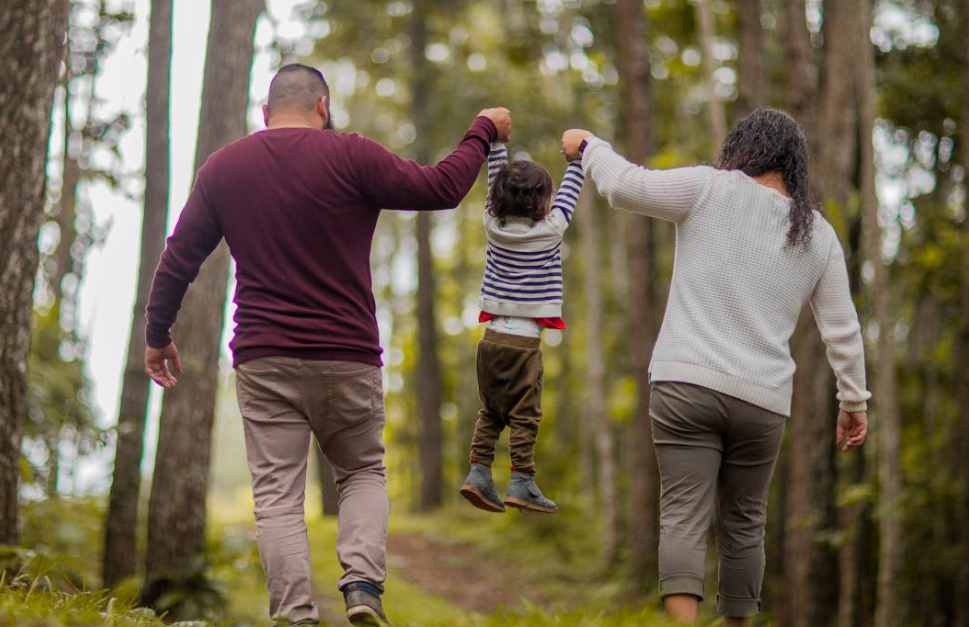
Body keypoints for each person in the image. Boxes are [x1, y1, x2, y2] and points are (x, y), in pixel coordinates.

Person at [143, 63, 511, 627]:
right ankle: (362, 587)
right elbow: (441, 188)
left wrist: (157, 334)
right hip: (347, 354)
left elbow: (179, 258)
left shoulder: (225, 167)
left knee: (277, 497)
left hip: (264, 358)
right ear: (323, 107)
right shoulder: (352, 154)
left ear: (266, 114)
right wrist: (482, 129)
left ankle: (295, 617)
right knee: (362, 471)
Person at [561, 108, 870, 626]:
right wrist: (854, 402)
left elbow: (625, 187)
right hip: (763, 402)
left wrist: (590, 145)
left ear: (742, 149)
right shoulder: (818, 235)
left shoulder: (708, 188)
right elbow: (843, 329)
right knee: (745, 526)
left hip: (686, 384)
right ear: (794, 164)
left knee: (683, 515)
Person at [458, 140, 584, 514]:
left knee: (491, 412)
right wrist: (577, 159)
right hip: (524, 345)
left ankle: (478, 472)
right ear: (543, 201)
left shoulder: (491, 226)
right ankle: (521, 480)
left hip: (491, 340)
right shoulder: (551, 229)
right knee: (525, 416)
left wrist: (497, 143)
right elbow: (571, 190)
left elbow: (493, 179)